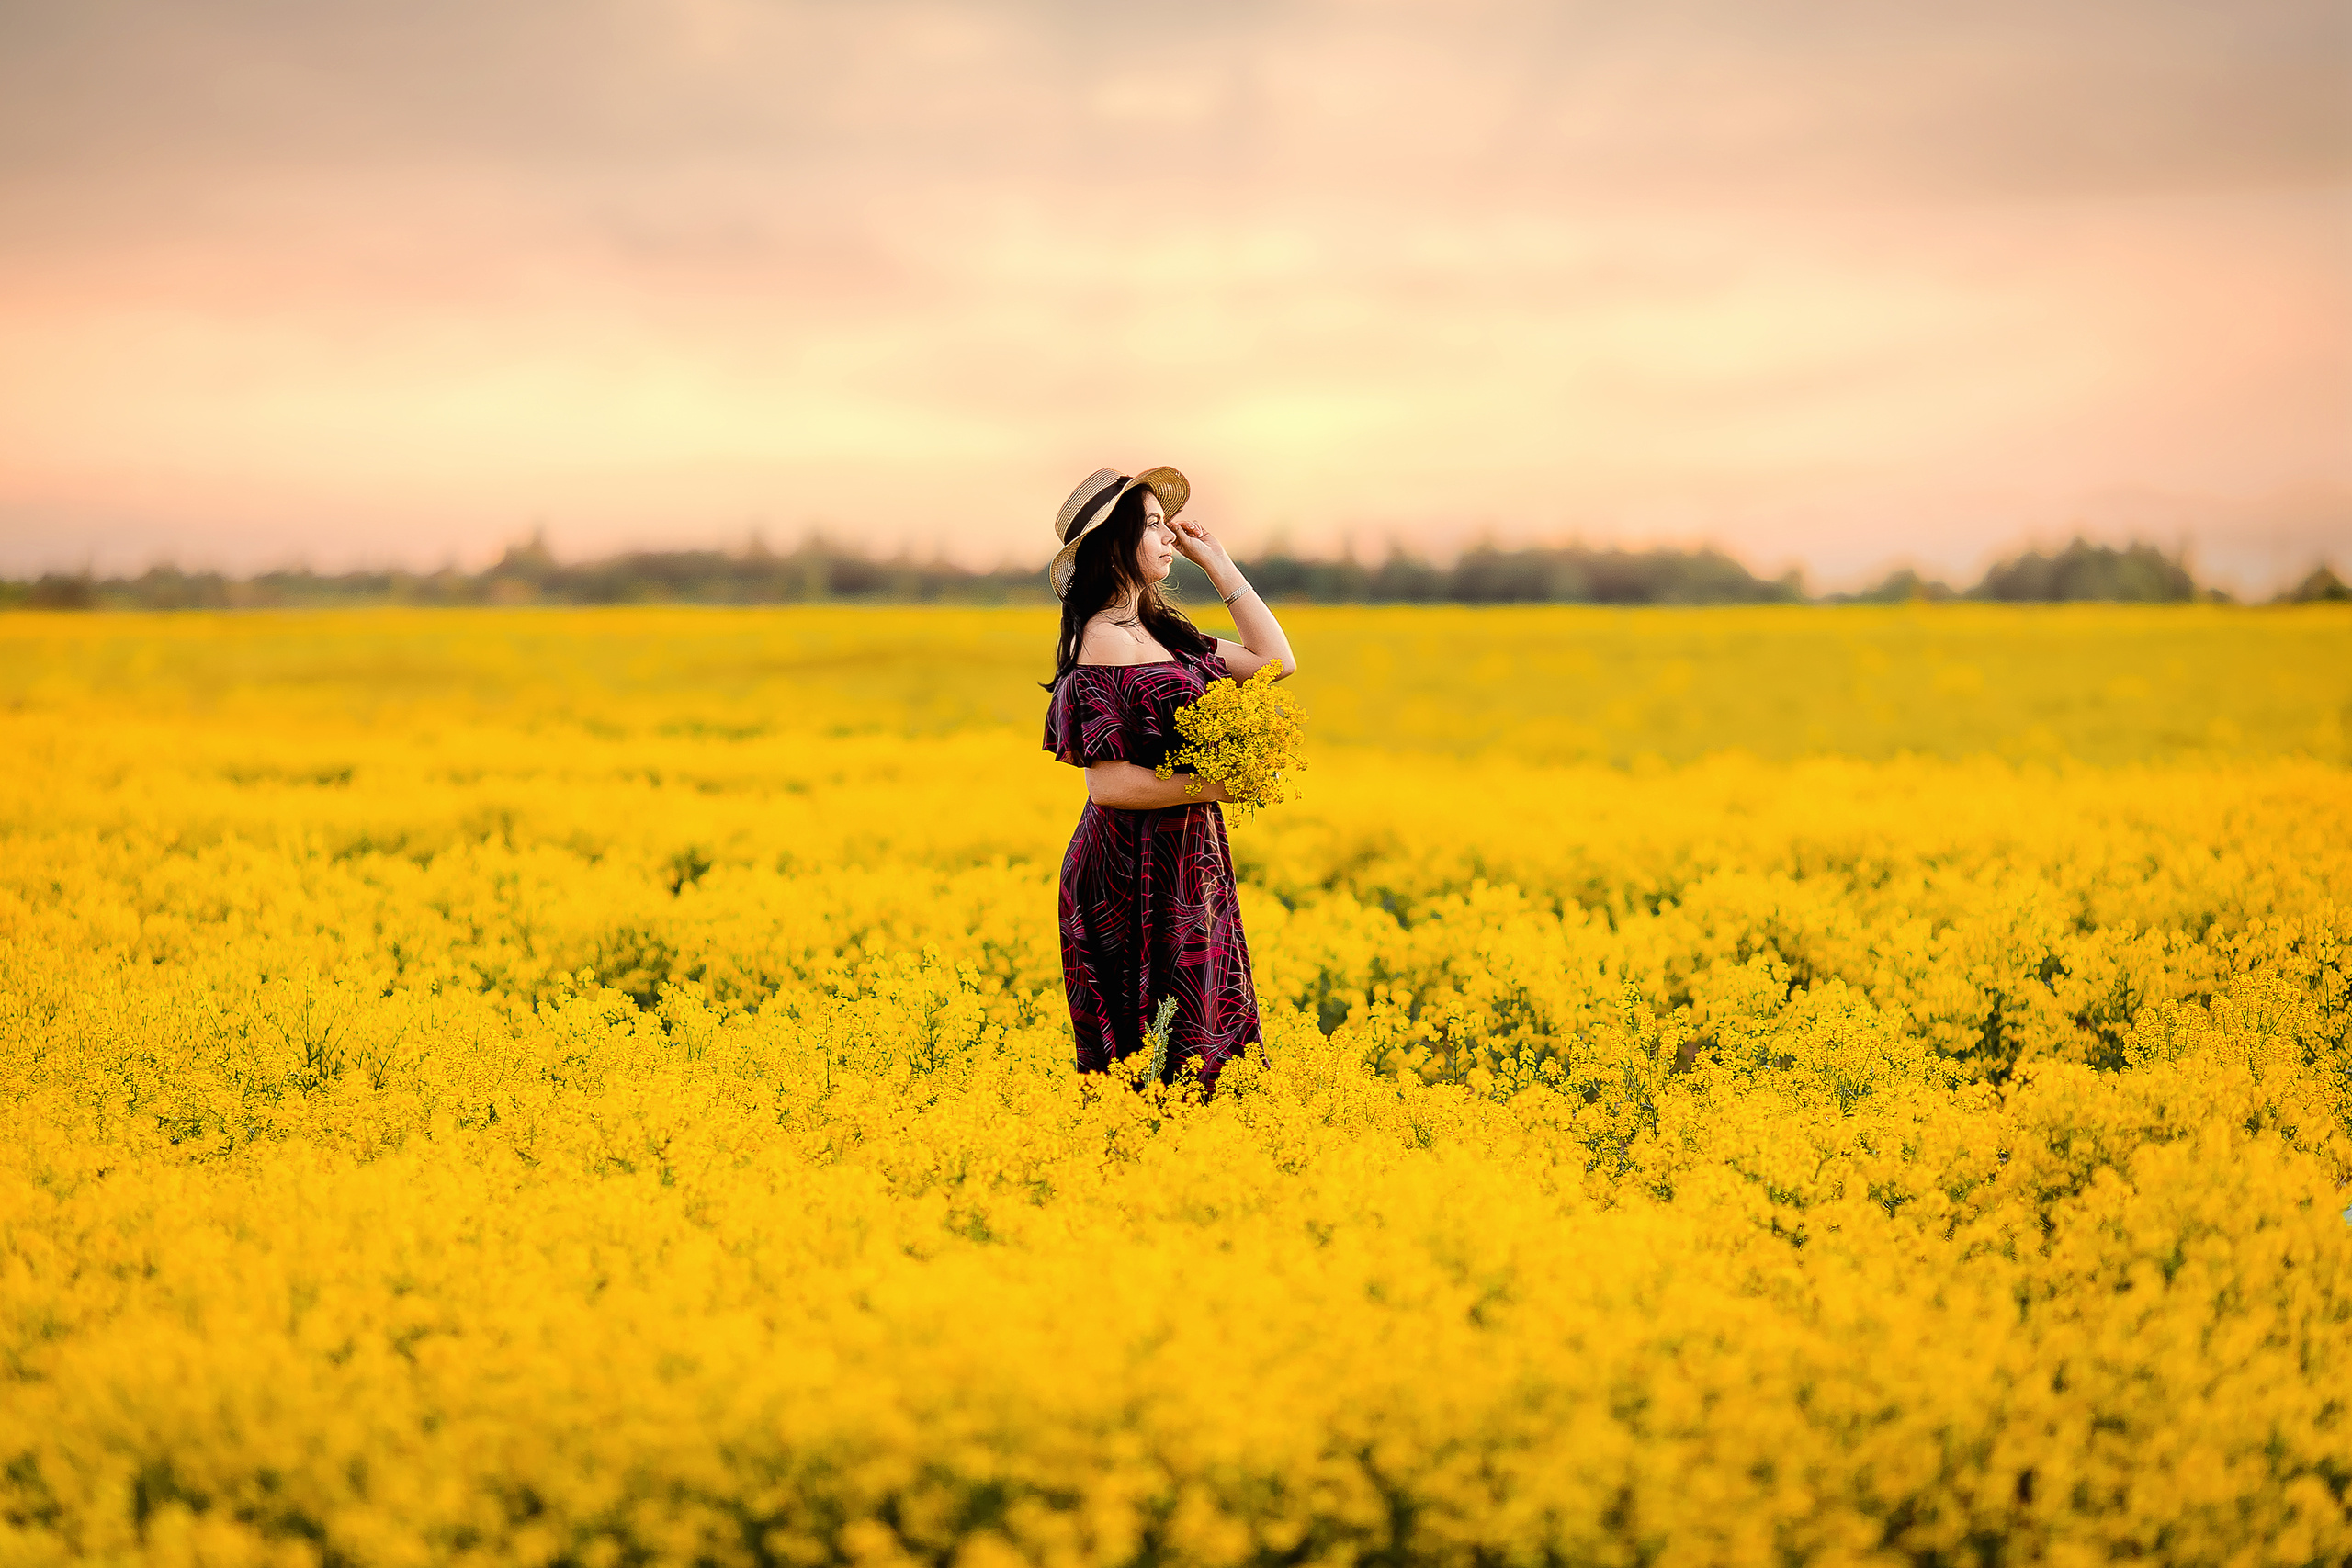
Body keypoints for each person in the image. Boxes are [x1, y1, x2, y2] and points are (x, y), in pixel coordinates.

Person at [1040, 467, 1298, 1092]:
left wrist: (1217, 562)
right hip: (1130, 872)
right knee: (1152, 1062)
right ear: (1114, 543)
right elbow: (1108, 787)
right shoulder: (1104, 640)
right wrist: (1217, 785)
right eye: (1152, 525)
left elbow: (1275, 662)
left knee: (1200, 1040)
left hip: (1185, 856)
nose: (1167, 537)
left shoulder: (1163, 631)